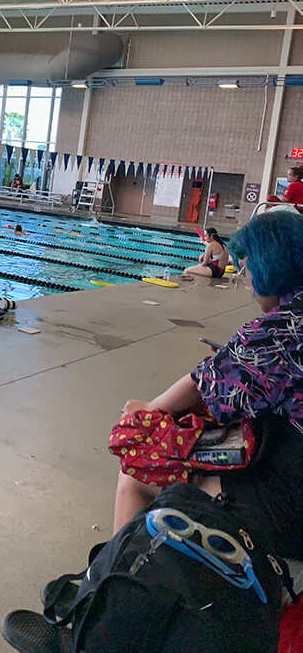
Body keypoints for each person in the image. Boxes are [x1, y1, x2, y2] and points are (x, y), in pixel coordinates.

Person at [110, 211, 303, 554]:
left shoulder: (275, 333)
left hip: (290, 507)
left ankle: (113, 589)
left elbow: (204, 383)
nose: (243, 278)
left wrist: (149, 410)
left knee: (136, 472)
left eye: (245, 267)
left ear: (269, 268)